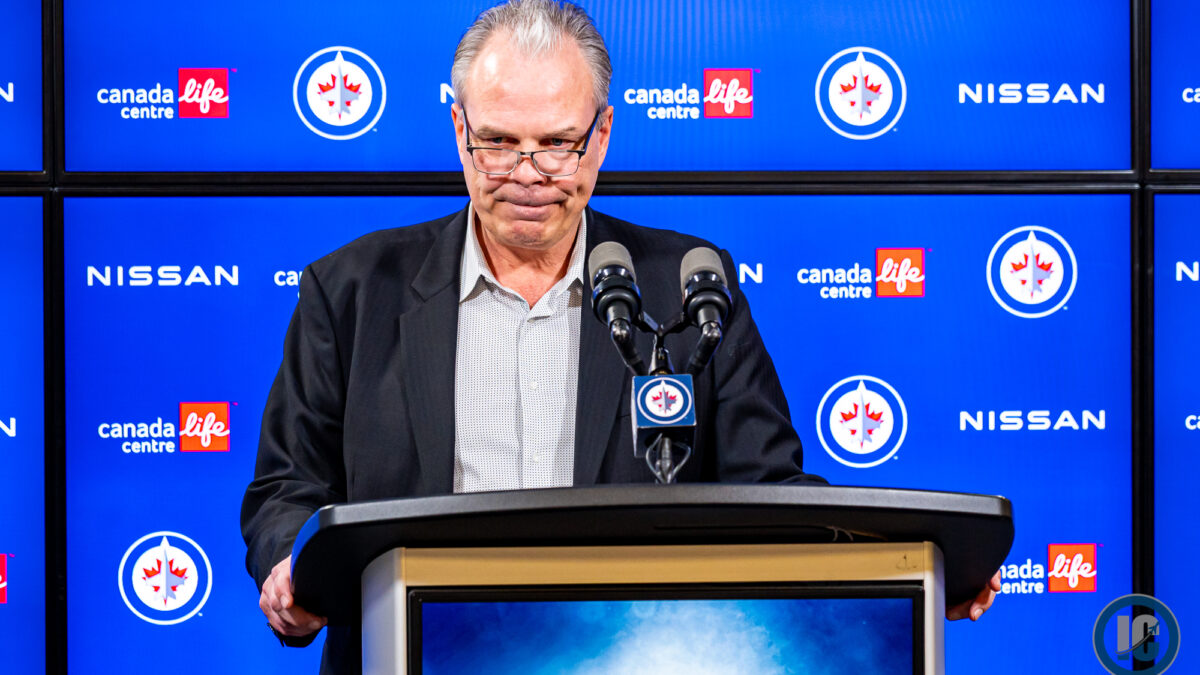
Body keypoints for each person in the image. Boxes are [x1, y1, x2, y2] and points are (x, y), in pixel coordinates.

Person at [242, 1, 999, 672]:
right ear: (458, 128)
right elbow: (287, 488)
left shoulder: (689, 288)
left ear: (601, 135)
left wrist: (910, 566)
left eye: (558, 142)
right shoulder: (350, 289)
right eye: (498, 142)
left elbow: (770, 493)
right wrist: (287, 568)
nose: (528, 172)